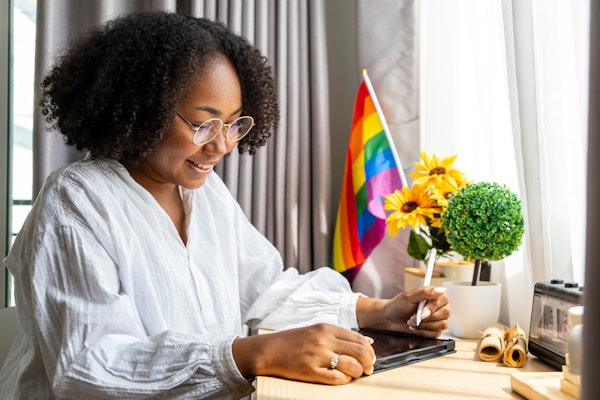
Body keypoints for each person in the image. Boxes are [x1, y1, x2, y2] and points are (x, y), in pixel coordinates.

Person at [0, 11, 450, 399]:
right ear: (139, 111)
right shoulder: (74, 203)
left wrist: (377, 311)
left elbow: (264, 290)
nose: (222, 146)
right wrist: (250, 354)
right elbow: (89, 368)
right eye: (203, 125)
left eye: (235, 125)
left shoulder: (203, 192)